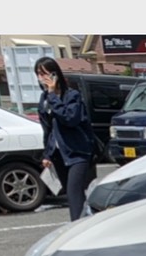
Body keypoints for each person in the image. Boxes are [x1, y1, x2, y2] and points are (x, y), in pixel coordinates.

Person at [34, 57, 99, 223]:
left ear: (55, 74)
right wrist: (47, 154)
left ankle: (77, 226)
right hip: (58, 154)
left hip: (78, 151)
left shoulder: (72, 96)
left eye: (45, 73)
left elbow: (70, 118)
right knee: (72, 194)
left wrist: (53, 95)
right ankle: (88, 221)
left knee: (74, 192)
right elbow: (47, 129)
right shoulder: (44, 98)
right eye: (39, 74)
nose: (42, 78)